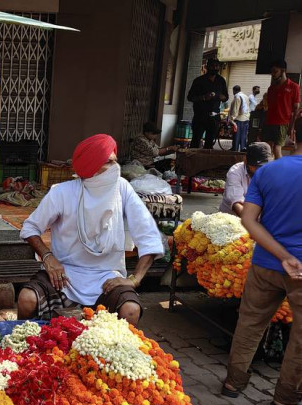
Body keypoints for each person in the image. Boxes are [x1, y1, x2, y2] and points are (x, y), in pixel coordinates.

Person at [16, 134, 164, 327]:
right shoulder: (62, 192)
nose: (116, 168)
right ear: (92, 169)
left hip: (107, 277)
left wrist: (134, 280)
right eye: (109, 163)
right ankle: (23, 349)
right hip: (65, 275)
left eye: (115, 162)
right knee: (27, 299)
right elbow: (30, 227)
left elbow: (149, 236)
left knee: (130, 310)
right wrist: (48, 258)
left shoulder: (123, 189)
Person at [222, 118, 302, 405]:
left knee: (249, 324)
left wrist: (282, 255)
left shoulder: (267, 171)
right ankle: (284, 398)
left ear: (292, 134)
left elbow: (248, 220)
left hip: (265, 263)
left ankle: (233, 383)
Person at [219, 142, 273, 216]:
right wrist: (252, 221)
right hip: (231, 219)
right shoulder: (235, 172)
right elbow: (236, 204)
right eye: (257, 167)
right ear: (246, 161)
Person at [187, 59, 229, 149]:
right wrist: (204, 97)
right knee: (195, 141)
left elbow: (226, 97)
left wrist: (219, 96)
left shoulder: (221, 81)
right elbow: (190, 97)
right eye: (212, 66)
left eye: (217, 66)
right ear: (207, 67)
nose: (215, 68)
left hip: (214, 117)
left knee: (209, 143)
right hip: (200, 116)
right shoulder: (199, 81)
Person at [263, 60, 300, 159]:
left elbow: (296, 108)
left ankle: (280, 172)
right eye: (272, 72)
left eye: (275, 71)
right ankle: (269, 170)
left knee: (277, 149)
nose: (273, 74)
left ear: (283, 71)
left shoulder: (294, 87)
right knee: (267, 149)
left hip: (282, 123)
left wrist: (291, 126)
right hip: (269, 122)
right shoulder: (271, 89)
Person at [228, 85, 251, 151]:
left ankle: (235, 150)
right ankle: (242, 150)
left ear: (234, 91)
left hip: (239, 120)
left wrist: (232, 120)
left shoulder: (237, 96)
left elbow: (235, 109)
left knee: (236, 137)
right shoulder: (246, 96)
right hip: (246, 119)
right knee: (243, 136)